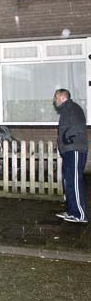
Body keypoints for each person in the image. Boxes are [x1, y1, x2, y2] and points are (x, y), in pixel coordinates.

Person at [53, 89, 88, 223]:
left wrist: (67, 139)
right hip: (69, 150)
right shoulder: (67, 110)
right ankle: (71, 211)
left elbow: (78, 127)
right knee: (68, 180)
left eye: (55, 97)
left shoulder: (73, 108)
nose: (54, 100)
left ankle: (80, 214)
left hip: (75, 150)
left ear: (62, 97)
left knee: (74, 180)